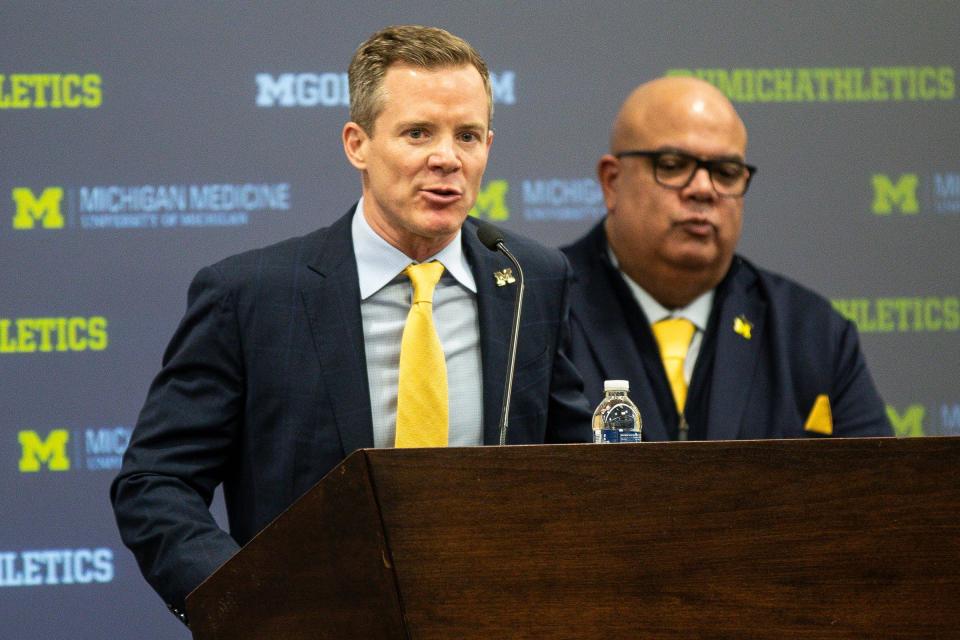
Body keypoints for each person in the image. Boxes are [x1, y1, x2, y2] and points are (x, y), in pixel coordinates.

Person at [111, 25, 591, 624]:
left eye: (467, 135)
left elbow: (585, 471)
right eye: (418, 132)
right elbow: (156, 483)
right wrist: (248, 605)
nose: (447, 157)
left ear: (489, 145)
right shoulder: (250, 295)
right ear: (357, 143)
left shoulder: (531, 279)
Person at [562, 76, 891, 441]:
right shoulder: (538, 314)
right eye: (672, 165)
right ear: (612, 182)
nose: (703, 189)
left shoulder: (811, 333)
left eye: (726, 173)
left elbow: (882, 490)